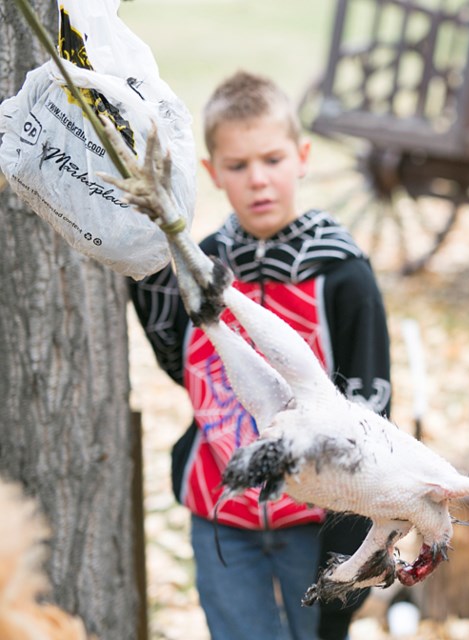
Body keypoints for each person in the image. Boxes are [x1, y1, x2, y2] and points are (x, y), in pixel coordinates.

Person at [129, 70, 391, 640]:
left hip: (316, 515)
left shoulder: (342, 274)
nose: (259, 181)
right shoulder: (202, 267)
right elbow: (184, 366)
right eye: (239, 166)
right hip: (221, 508)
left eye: (272, 160)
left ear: (302, 156)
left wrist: (358, 536)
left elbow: (372, 404)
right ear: (212, 173)